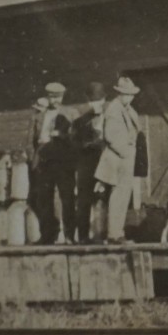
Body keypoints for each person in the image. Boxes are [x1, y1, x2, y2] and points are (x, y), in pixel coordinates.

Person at [94, 76, 142, 243]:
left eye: (132, 94)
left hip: (125, 158)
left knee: (123, 195)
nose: (130, 97)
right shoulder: (114, 109)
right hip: (118, 159)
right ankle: (114, 234)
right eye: (127, 94)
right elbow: (111, 136)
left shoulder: (127, 109)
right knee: (118, 196)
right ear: (119, 94)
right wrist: (126, 152)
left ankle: (118, 232)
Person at [27, 81, 70, 243]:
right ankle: (47, 234)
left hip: (60, 158)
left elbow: (76, 136)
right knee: (43, 198)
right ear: (48, 97)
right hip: (42, 158)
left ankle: (69, 235)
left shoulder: (69, 113)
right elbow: (29, 141)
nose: (55, 101)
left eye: (58, 97)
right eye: (52, 97)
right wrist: (34, 159)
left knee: (64, 197)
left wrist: (61, 135)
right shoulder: (38, 117)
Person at [69, 81, 107, 243]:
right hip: (86, 166)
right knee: (84, 201)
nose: (95, 105)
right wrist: (85, 146)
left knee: (106, 200)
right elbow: (74, 143)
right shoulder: (80, 121)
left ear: (104, 99)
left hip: (106, 164)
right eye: (91, 101)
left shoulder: (112, 117)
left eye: (98, 101)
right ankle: (83, 237)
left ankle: (105, 235)